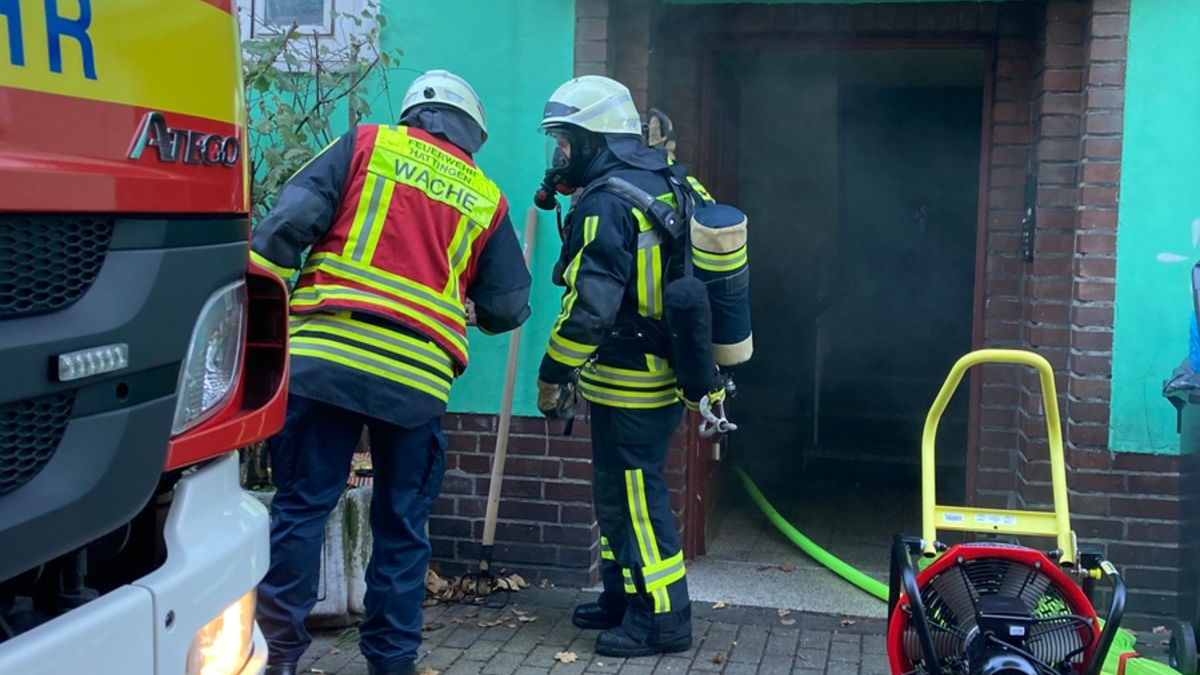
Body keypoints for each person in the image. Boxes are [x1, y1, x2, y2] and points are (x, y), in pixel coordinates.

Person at [249, 69, 532, 675]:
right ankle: (392, 662)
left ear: (414, 115)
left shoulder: (365, 145)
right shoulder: (486, 196)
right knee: (402, 527)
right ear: (471, 133)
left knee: (302, 508)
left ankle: (275, 657)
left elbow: (283, 229)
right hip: (416, 382)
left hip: (327, 360)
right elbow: (509, 306)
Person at [533, 75, 722, 658]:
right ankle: (621, 596)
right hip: (651, 371)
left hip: (633, 375)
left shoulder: (605, 204)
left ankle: (664, 620)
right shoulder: (675, 181)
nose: (561, 156)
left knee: (637, 499)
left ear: (595, 140)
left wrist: (552, 371)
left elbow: (589, 309)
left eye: (566, 143)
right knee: (615, 494)